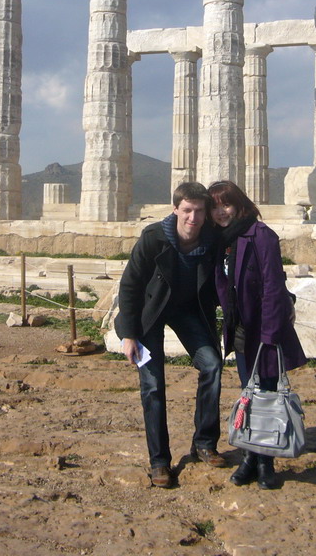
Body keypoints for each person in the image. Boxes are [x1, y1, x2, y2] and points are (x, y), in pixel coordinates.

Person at [116, 181, 228, 488]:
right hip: (149, 315)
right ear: (176, 209)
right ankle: (160, 462)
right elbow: (130, 286)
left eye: (199, 211)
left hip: (188, 311)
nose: (193, 217)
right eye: (187, 210)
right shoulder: (153, 238)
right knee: (152, 385)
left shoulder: (212, 238)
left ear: (205, 213)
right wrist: (129, 335)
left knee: (212, 365)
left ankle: (204, 443)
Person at [208, 180, 307, 490]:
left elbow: (273, 287)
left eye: (226, 204)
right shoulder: (221, 240)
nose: (221, 211)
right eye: (215, 206)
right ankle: (250, 457)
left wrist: (270, 335)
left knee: (267, 393)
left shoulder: (261, 235)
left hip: (263, 330)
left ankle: (266, 462)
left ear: (240, 205)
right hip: (239, 328)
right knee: (249, 393)